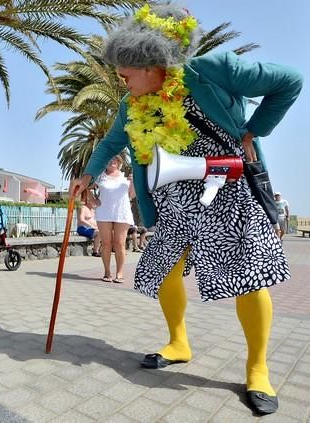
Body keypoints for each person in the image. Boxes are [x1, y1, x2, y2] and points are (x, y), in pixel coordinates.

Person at [69, 4, 302, 415]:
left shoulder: (210, 69)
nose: (122, 81)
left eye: (126, 73)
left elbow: (290, 81)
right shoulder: (133, 102)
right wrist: (87, 174)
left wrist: (254, 130)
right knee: (164, 273)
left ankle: (258, 367)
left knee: (249, 278)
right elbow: (110, 143)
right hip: (174, 198)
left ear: (153, 63)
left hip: (228, 189)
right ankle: (179, 342)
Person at [94, 156, 135, 283]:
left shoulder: (125, 177)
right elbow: (85, 187)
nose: (112, 161)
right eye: (109, 159)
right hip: (104, 212)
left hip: (122, 212)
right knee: (106, 243)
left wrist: (133, 182)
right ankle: (107, 272)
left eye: (115, 160)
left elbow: (132, 195)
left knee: (119, 243)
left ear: (119, 163)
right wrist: (92, 199)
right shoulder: (99, 176)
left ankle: (119, 273)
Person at [76, 189, 101, 256]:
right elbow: (81, 219)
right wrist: (91, 226)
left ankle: (101, 249)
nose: (95, 203)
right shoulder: (83, 208)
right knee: (99, 233)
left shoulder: (92, 210)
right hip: (83, 228)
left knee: (104, 232)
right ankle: (95, 251)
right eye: (93, 201)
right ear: (89, 201)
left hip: (91, 229)